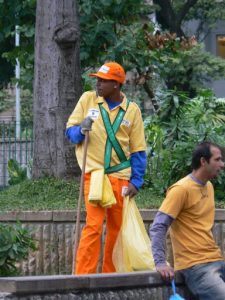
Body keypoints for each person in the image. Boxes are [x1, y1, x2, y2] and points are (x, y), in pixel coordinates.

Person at [66, 62, 147, 274]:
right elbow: (70, 132)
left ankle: (111, 275)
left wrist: (136, 182)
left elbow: (138, 150)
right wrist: (80, 129)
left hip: (120, 177)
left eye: (103, 81)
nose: (98, 84)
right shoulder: (88, 99)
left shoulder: (132, 110)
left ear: (117, 84)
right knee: (93, 226)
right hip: (94, 175)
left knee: (117, 229)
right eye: (97, 79)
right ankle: (83, 276)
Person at [149, 141, 225, 300]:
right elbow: (158, 226)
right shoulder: (181, 189)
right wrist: (161, 262)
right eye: (217, 160)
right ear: (203, 161)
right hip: (196, 267)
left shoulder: (209, 187)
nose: (222, 164)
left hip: (217, 259)